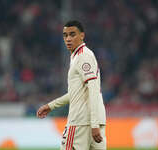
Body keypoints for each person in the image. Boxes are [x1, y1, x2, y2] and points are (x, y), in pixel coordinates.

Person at [37, 20, 106, 150]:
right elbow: (78, 93)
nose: (68, 39)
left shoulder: (82, 56)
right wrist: (51, 106)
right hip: (94, 121)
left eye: (72, 34)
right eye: (65, 35)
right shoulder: (82, 56)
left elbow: (93, 88)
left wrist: (94, 123)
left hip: (80, 122)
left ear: (82, 36)